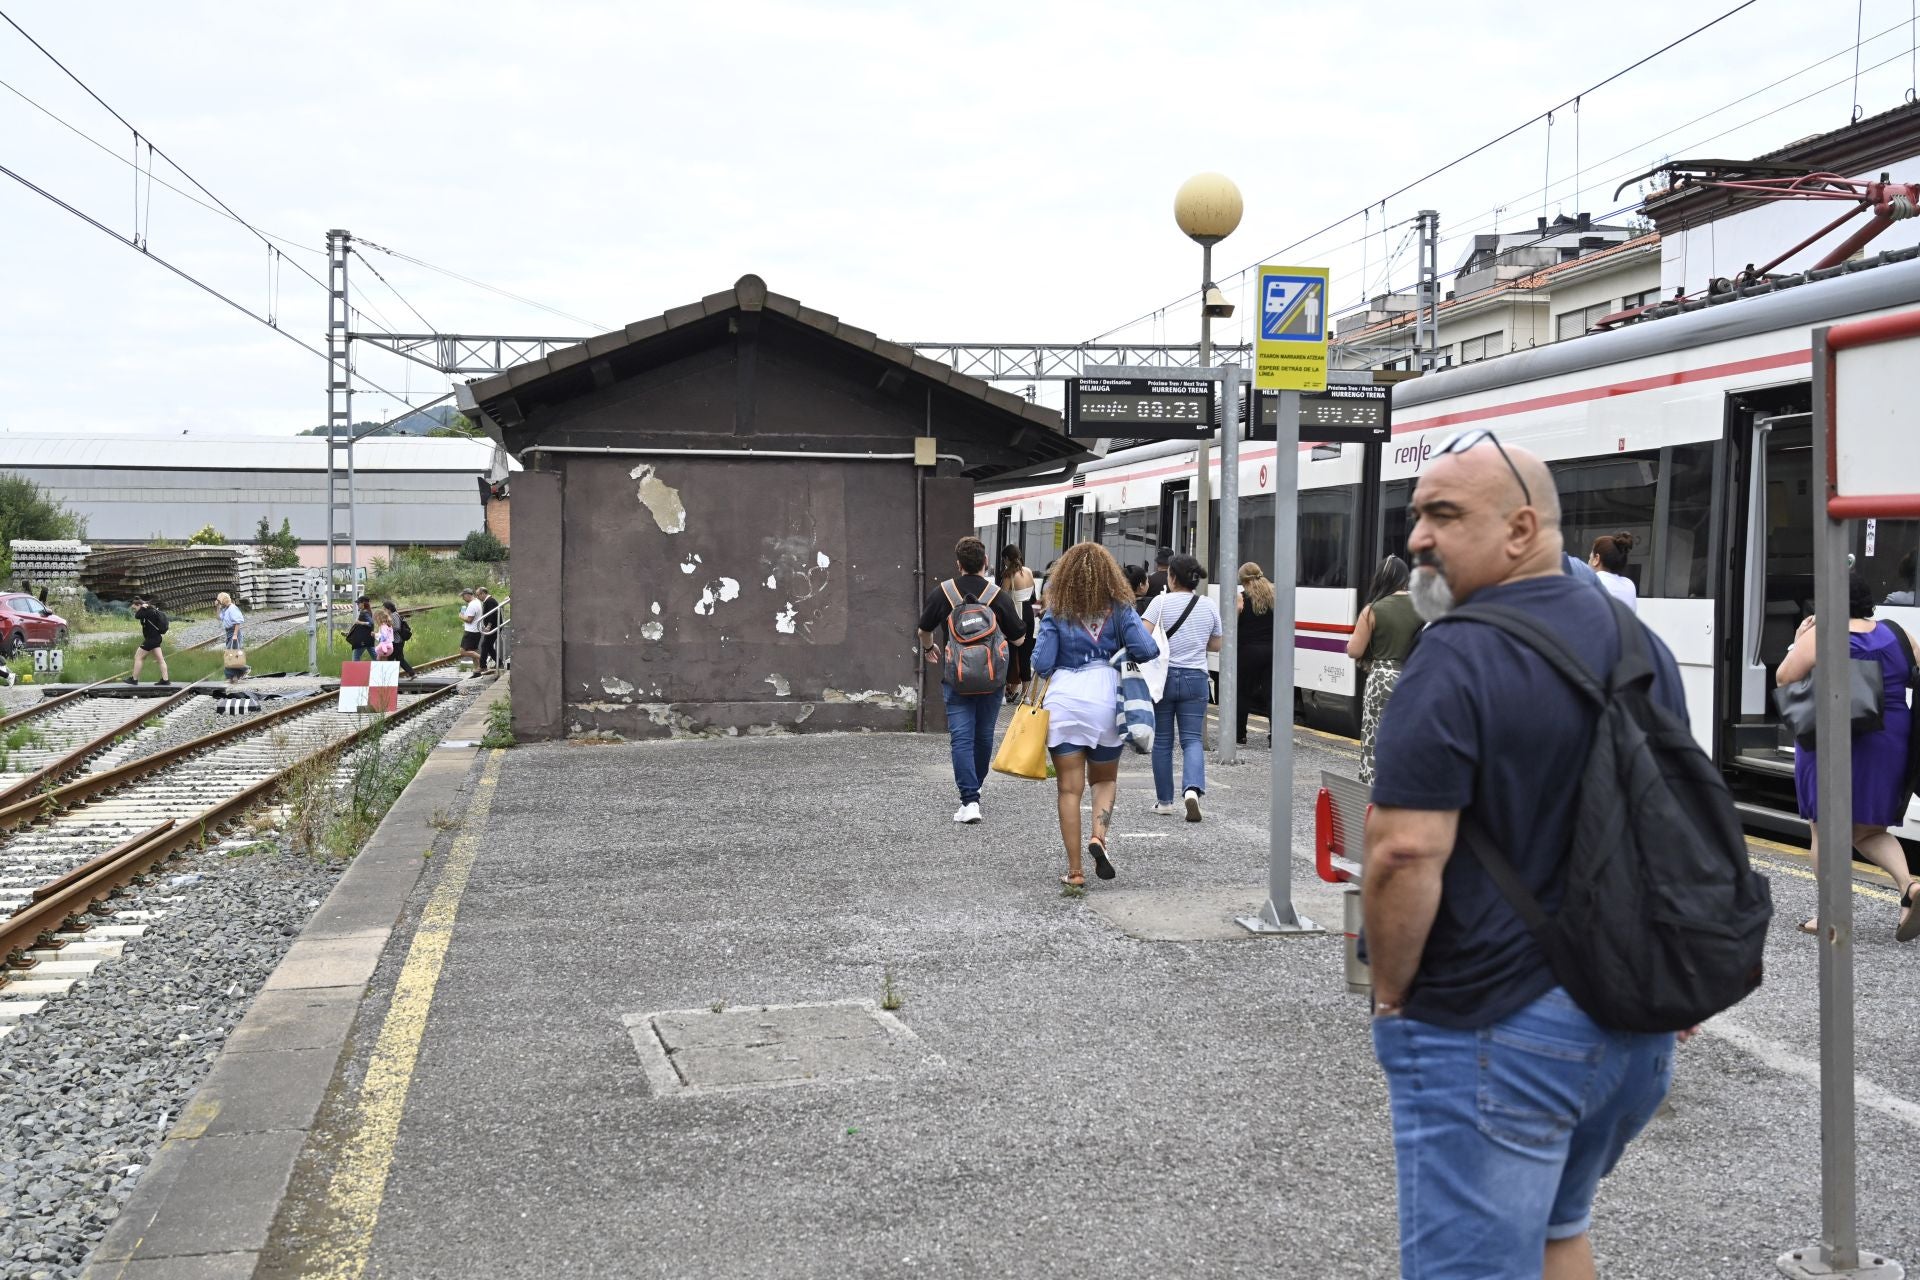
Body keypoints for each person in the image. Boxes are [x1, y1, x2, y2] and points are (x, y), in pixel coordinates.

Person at [1362, 430, 1686, 1280]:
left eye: (1443, 514)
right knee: (1555, 1233)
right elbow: (1676, 819)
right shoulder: (1633, 642)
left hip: (1496, 1024)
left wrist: (1393, 995)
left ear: (1520, 529)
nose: (1416, 538)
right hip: (1629, 1023)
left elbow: (1401, 851)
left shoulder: (1455, 653)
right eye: (1416, 515)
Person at [1777, 570, 1920, 940]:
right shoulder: (1897, 633)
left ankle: (1831, 915)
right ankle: (1910, 887)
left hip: (1834, 734)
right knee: (1869, 830)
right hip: (1889, 738)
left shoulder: (1821, 634)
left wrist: (1798, 642)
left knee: (1824, 828)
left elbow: (1786, 678)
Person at [1033, 542, 1158, 886]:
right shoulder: (1120, 607)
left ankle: (1075, 872)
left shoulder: (1056, 609)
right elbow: (1148, 649)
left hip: (1065, 701)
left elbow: (1042, 664)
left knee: (1069, 790)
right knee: (1103, 779)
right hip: (1107, 701)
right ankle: (1098, 838)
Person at [917, 536, 1025, 824]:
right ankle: (974, 788)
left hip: (957, 677)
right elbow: (1019, 637)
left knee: (961, 738)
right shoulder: (996, 595)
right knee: (984, 735)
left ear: (959, 565)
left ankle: (969, 801)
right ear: (985, 562)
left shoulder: (943, 593)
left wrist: (929, 648)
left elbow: (923, 629)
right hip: (992, 679)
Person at [1141, 554, 1221, 821]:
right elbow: (1216, 645)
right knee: (1192, 740)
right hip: (1195, 678)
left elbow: (1143, 637)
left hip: (1162, 679)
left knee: (1163, 741)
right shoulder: (1208, 605)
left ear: (1172, 577)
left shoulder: (1159, 603)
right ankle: (1192, 791)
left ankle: (1164, 801)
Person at [1345, 556, 1420, 785]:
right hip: (1413, 678)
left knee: (1374, 739)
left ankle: (1373, 789)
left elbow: (1354, 650)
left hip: (1382, 679)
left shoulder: (1373, 609)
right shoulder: (1422, 606)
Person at [1235, 563, 1276, 747]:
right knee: (1271, 694)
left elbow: (1233, 622)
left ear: (1244, 581)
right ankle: (1275, 736)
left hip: (1248, 652)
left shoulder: (1241, 598)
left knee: (1243, 692)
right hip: (1272, 651)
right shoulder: (1274, 596)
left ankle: (1240, 735)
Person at [998, 545, 1038, 705]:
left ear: (1007, 559)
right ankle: (1025, 695)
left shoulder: (1009, 575)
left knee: (1008, 655)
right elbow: (1033, 596)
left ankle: (1002, 695)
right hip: (1029, 616)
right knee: (1025, 656)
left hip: (1016, 617)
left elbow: (1001, 598)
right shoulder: (1028, 571)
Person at [1588, 531, 1639, 611]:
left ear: (1596, 559)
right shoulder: (1630, 585)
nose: (1588, 562)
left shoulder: (1592, 582)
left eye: (1590, 557)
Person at [126, 596, 170, 686]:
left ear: (139, 605)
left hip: (151, 639)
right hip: (156, 638)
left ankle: (134, 679)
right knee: (160, 660)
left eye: (135, 608)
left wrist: (142, 608)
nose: (135, 610)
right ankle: (165, 680)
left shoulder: (147, 611)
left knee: (138, 657)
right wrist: (143, 607)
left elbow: (137, 616)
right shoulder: (151, 610)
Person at [382, 599, 417, 678]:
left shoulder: (394, 615)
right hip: (398, 641)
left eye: (384, 609)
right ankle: (411, 673)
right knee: (399, 659)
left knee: (390, 658)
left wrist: (388, 629)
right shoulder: (394, 615)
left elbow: (397, 627)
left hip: (396, 641)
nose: (384, 611)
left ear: (389, 609)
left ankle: (388, 677)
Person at [346, 595, 377, 662]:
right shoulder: (368, 611)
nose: (357, 604)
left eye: (358, 603)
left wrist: (359, 622)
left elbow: (370, 623)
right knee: (375, 657)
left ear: (363, 603)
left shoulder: (364, 612)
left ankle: (356, 672)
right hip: (368, 638)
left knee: (355, 658)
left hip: (363, 640)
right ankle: (384, 669)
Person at [476, 587, 501, 671]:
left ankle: (482, 666)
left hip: (494, 626)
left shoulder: (490, 601)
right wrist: (485, 625)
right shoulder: (488, 601)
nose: (478, 597)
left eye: (478, 595)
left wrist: (489, 625)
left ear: (483, 593)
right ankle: (499, 663)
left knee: (484, 645)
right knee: (489, 646)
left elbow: (492, 614)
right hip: (493, 626)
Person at [459, 588, 482, 663]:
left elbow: (469, 620)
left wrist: (461, 616)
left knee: (463, 652)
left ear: (467, 595)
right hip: (476, 631)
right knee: (473, 651)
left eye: (463, 596)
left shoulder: (472, 605)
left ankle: (483, 659)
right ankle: (478, 669)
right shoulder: (477, 601)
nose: (463, 598)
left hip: (470, 632)